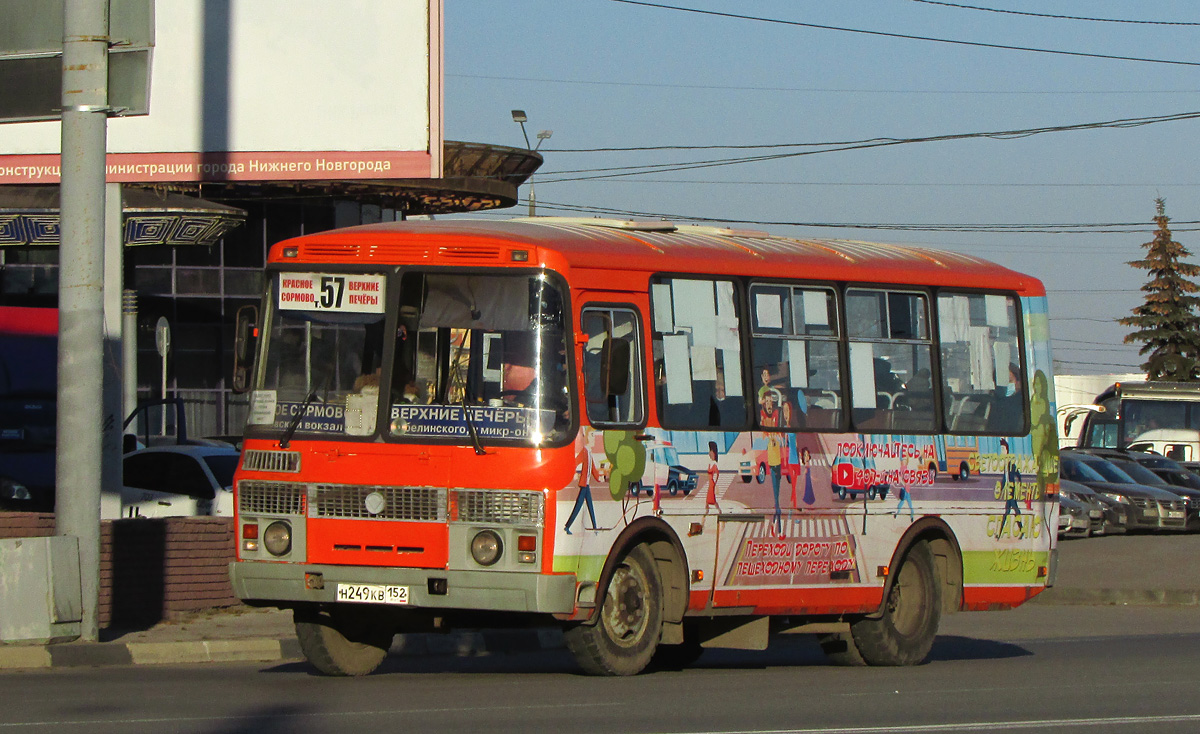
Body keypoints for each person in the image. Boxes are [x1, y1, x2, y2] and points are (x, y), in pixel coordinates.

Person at [565, 427, 603, 534]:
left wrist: (600, 478)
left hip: (586, 485)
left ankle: (594, 527)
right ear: (586, 437)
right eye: (592, 436)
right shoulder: (585, 452)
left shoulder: (589, 453)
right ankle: (568, 526)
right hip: (584, 485)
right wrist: (574, 474)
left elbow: (594, 470)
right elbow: (575, 462)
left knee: (590, 507)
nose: (594, 439)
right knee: (578, 507)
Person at [704, 440, 721, 515]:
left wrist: (715, 482)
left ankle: (719, 510)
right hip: (710, 482)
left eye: (711, 452)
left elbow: (717, 473)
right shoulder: (710, 463)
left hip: (712, 483)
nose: (709, 453)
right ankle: (707, 510)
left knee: (712, 499)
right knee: (708, 498)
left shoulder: (714, 464)